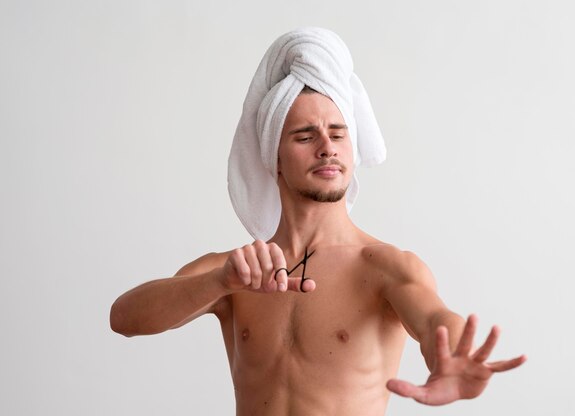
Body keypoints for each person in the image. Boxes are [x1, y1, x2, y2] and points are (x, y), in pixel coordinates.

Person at [110, 28, 525, 415]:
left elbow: (435, 319)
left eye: (339, 134)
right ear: (273, 158)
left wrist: (450, 356)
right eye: (306, 136)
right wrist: (220, 282)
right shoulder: (236, 272)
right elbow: (124, 318)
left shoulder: (385, 267)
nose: (327, 148)